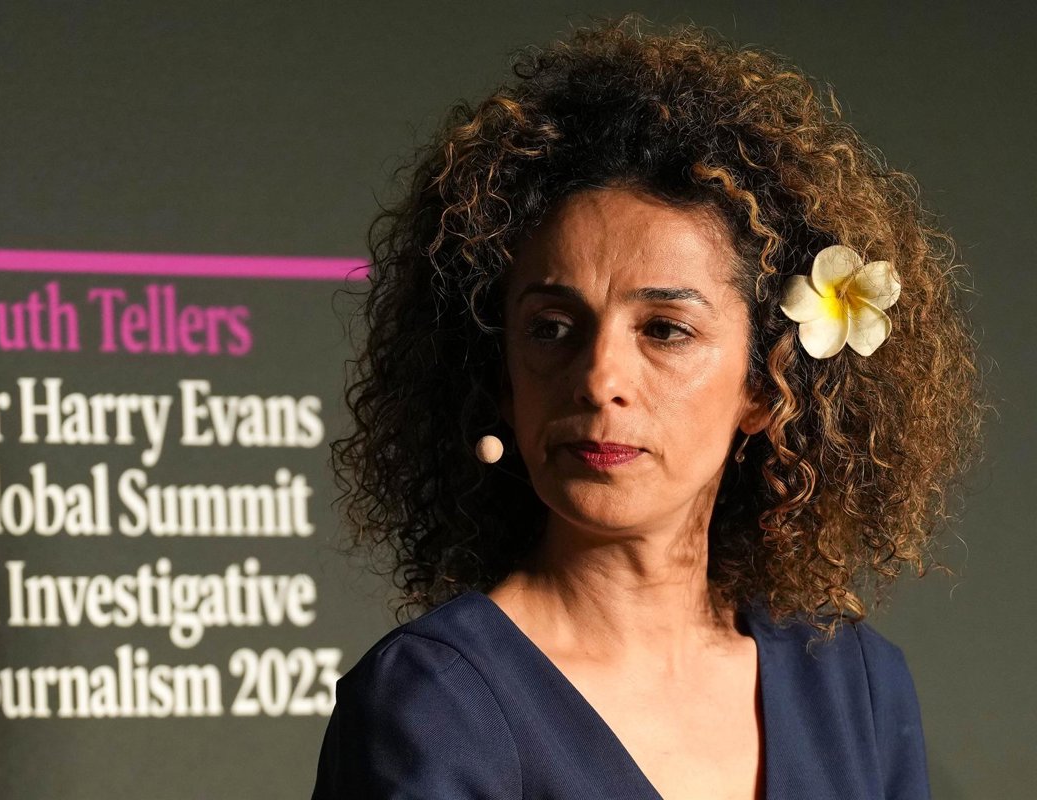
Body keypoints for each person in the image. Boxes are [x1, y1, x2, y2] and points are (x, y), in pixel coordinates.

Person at [312, 15, 984, 800]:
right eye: (551, 328)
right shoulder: (434, 706)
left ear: (766, 386)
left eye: (665, 330)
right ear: (500, 376)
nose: (599, 379)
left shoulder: (856, 687)